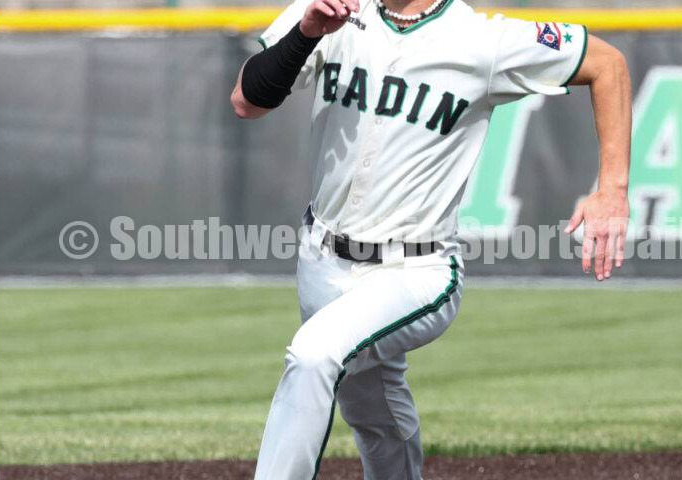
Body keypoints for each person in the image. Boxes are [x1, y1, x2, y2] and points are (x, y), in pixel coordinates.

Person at [231, 0, 631, 477]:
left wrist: (613, 190)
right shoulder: (331, 11)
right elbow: (246, 102)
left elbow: (608, 65)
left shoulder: (484, 40)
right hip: (322, 258)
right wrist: (307, 32)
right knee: (374, 415)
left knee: (315, 353)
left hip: (414, 269)